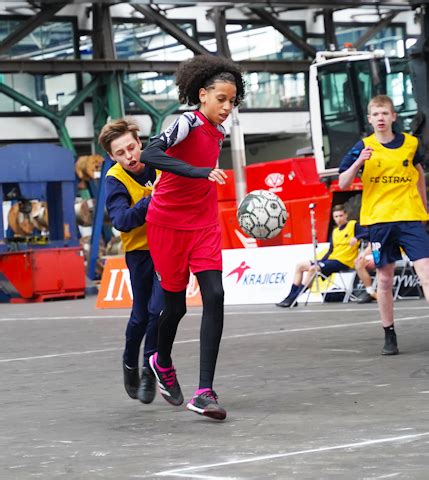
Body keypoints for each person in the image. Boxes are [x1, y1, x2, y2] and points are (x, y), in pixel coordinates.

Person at [139, 55, 245, 421]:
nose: (227, 107)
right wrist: (199, 172)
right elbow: (150, 153)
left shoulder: (219, 132)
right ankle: (161, 360)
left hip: (203, 225)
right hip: (167, 224)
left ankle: (204, 392)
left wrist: (203, 176)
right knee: (176, 307)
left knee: (215, 295)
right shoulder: (186, 122)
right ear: (202, 95)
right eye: (221, 99)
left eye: (232, 101)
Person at [339, 94, 429, 355]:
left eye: (385, 113)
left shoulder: (411, 144)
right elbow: (343, 182)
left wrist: (424, 209)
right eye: (376, 114)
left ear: (393, 117)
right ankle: (389, 333)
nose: (380, 118)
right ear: (370, 119)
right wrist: (359, 162)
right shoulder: (363, 146)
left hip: (410, 218)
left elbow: (419, 174)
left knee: (426, 271)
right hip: (379, 223)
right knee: (385, 279)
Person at [99, 119, 163, 404]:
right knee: (140, 315)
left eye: (131, 148)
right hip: (139, 253)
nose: (130, 156)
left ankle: (150, 371)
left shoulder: (159, 163)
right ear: (112, 156)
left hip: (167, 249)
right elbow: (122, 220)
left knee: (158, 311)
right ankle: (129, 362)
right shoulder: (115, 179)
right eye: (121, 153)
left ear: (139, 142)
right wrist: (152, 199)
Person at [276, 204, 367, 307]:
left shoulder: (353, 225)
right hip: (332, 260)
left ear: (346, 215)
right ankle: (290, 296)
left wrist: (357, 237)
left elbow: (368, 233)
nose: (339, 219)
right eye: (336, 216)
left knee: (313, 269)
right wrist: (321, 261)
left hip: (344, 261)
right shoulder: (335, 231)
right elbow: (330, 251)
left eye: (341, 216)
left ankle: (294, 298)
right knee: (300, 266)